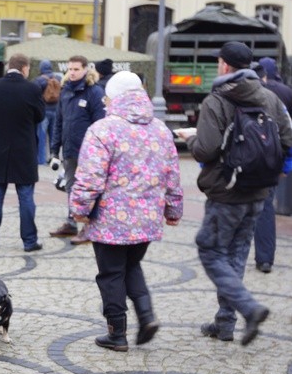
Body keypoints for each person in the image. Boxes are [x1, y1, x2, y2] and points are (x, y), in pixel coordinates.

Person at [178, 41, 292, 345]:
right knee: (238, 254)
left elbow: (206, 148)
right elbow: (287, 137)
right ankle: (224, 323)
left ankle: (249, 308)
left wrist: (190, 140)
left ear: (224, 65)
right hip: (259, 191)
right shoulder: (269, 98)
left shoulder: (217, 100)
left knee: (211, 251)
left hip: (227, 192)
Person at [70, 71, 183, 351]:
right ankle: (146, 316)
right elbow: (173, 176)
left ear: (114, 97)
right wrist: (173, 210)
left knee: (110, 273)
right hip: (147, 217)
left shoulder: (103, 129)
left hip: (111, 218)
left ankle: (116, 332)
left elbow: (89, 177)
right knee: (131, 265)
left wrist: (79, 209)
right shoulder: (160, 129)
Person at [0, 53, 45, 252]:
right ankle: (29, 241)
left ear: (9, 66)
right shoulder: (32, 88)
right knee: (26, 198)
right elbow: (40, 115)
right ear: (25, 67)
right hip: (24, 151)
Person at [49, 54, 106, 245]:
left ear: (85, 69)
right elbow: (59, 122)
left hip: (89, 153)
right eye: (70, 69)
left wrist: (98, 150)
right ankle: (71, 222)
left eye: (76, 69)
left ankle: (89, 228)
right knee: (71, 188)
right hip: (70, 150)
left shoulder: (94, 92)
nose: (72, 73)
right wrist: (54, 150)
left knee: (89, 190)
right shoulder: (65, 91)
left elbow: (101, 124)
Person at [251, 58, 292, 273]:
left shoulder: (227, 95)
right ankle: (265, 259)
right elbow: (287, 133)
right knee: (266, 208)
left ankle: (226, 257)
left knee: (232, 208)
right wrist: (286, 166)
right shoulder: (277, 97)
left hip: (238, 166)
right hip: (269, 162)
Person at [32, 59, 61, 165]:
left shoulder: (39, 80)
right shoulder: (58, 78)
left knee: (42, 136)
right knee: (54, 136)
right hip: (56, 110)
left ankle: (41, 159)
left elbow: (35, 96)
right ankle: (54, 158)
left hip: (43, 111)